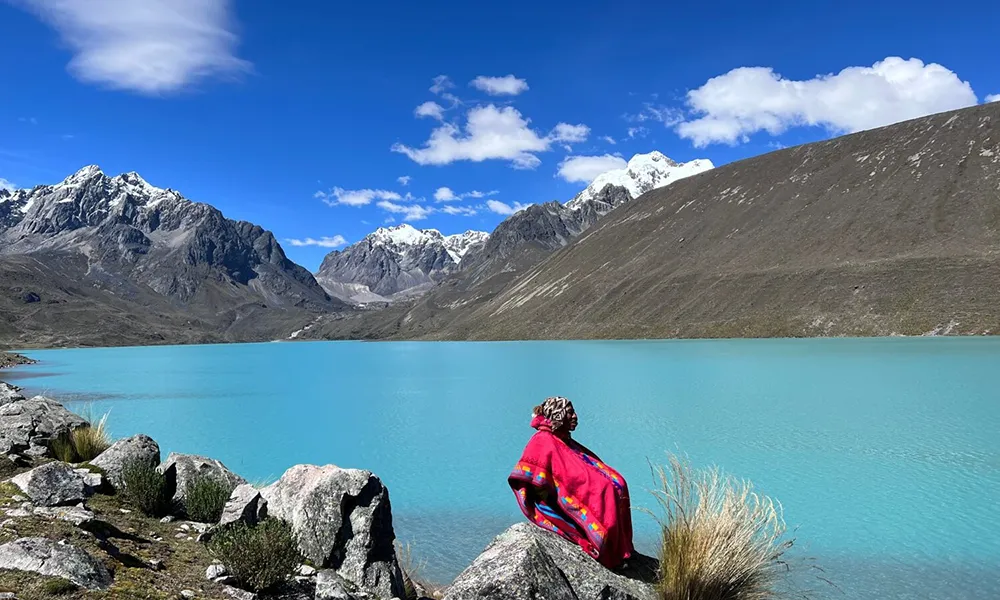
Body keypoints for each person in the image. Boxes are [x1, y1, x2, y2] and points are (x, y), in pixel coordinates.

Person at [508, 396, 634, 569]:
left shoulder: (562, 437)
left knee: (618, 482)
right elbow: (534, 476)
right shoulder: (541, 440)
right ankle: (608, 551)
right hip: (552, 501)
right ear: (558, 415)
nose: (575, 416)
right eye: (570, 412)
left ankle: (620, 547)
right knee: (604, 490)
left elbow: (580, 465)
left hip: (563, 493)